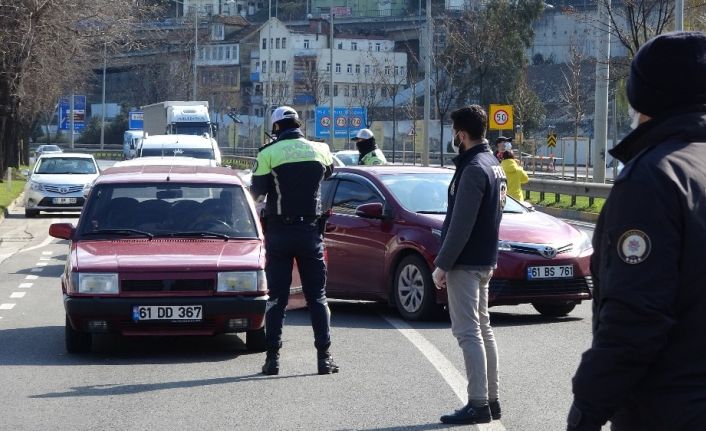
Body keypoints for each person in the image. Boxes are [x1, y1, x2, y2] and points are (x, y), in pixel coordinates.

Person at [567, 31, 706, 431]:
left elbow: (635, 320)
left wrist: (586, 411)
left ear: (643, 96)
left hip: (671, 409)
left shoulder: (654, 178)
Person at [250, 106, 339, 376]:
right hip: (310, 232)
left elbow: (256, 192)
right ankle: (324, 359)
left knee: (277, 298)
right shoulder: (320, 149)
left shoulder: (268, 153)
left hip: (279, 233)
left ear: (276, 127)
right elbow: (328, 174)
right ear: (299, 125)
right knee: (318, 298)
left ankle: (272, 360)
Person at [432, 105, 506, 425]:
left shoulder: (474, 167)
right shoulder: (493, 164)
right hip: (486, 257)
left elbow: (460, 225)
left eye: (454, 133)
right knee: (483, 330)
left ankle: (478, 402)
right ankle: (491, 399)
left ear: (461, 134)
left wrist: (442, 265)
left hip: (467, 261)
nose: (453, 138)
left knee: (468, 332)